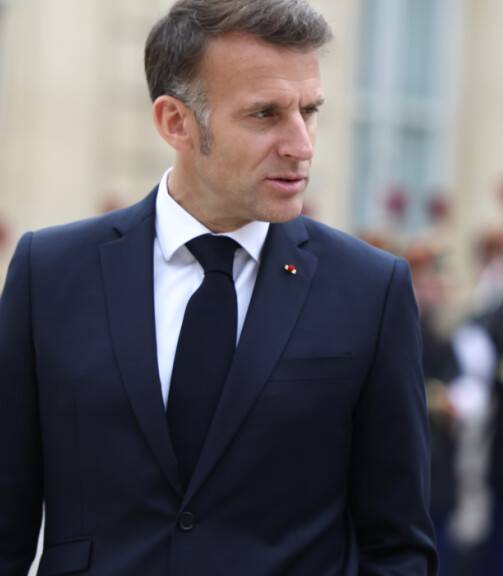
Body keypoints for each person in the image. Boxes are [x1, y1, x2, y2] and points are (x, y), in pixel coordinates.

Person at [0, 1, 437, 574]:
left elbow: (398, 545)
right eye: (265, 114)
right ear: (175, 122)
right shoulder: (50, 273)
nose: (301, 145)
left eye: (310, 111)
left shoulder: (370, 289)